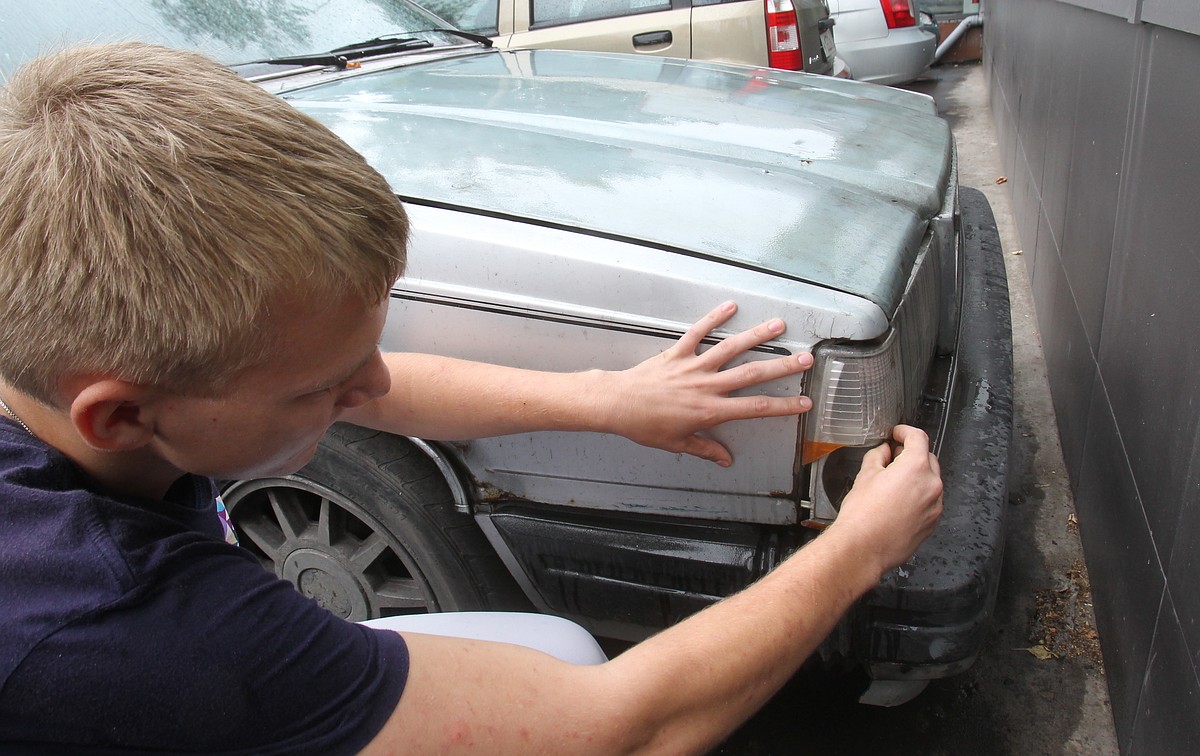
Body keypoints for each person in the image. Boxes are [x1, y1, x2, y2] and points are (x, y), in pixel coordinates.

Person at [0, 43, 942, 754]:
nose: (374, 386)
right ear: (118, 416)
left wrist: (611, 399)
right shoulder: (131, 632)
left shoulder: (46, 344)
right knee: (568, 670)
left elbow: (380, 389)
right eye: (323, 386)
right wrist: (862, 547)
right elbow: (623, 729)